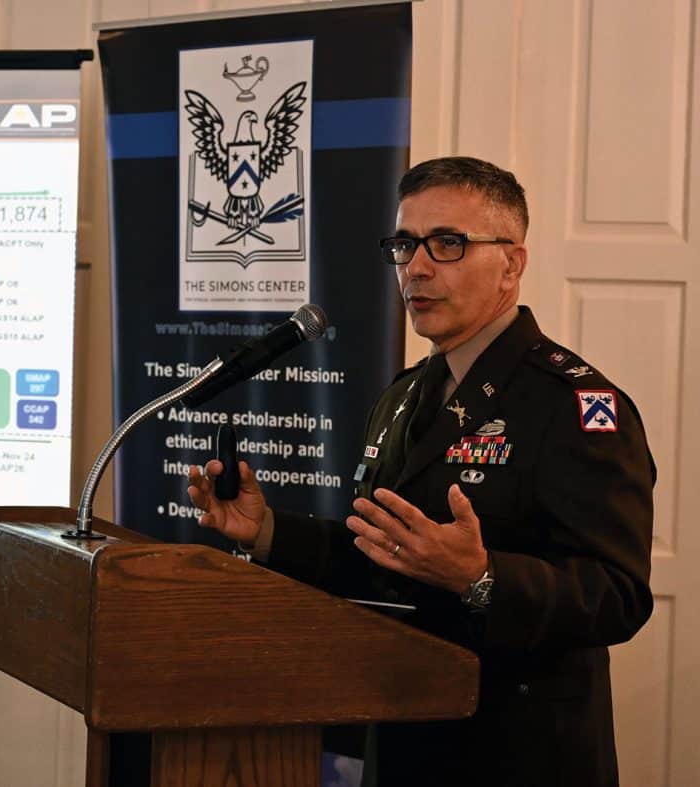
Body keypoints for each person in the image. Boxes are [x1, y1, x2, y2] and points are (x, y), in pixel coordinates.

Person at [186, 156, 655, 787]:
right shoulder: (404, 396)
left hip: (519, 753)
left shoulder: (574, 406)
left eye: (448, 244)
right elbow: (381, 559)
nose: (418, 267)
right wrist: (266, 529)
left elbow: (618, 597)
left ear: (511, 264)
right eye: (406, 244)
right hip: (404, 733)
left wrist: (482, 577)